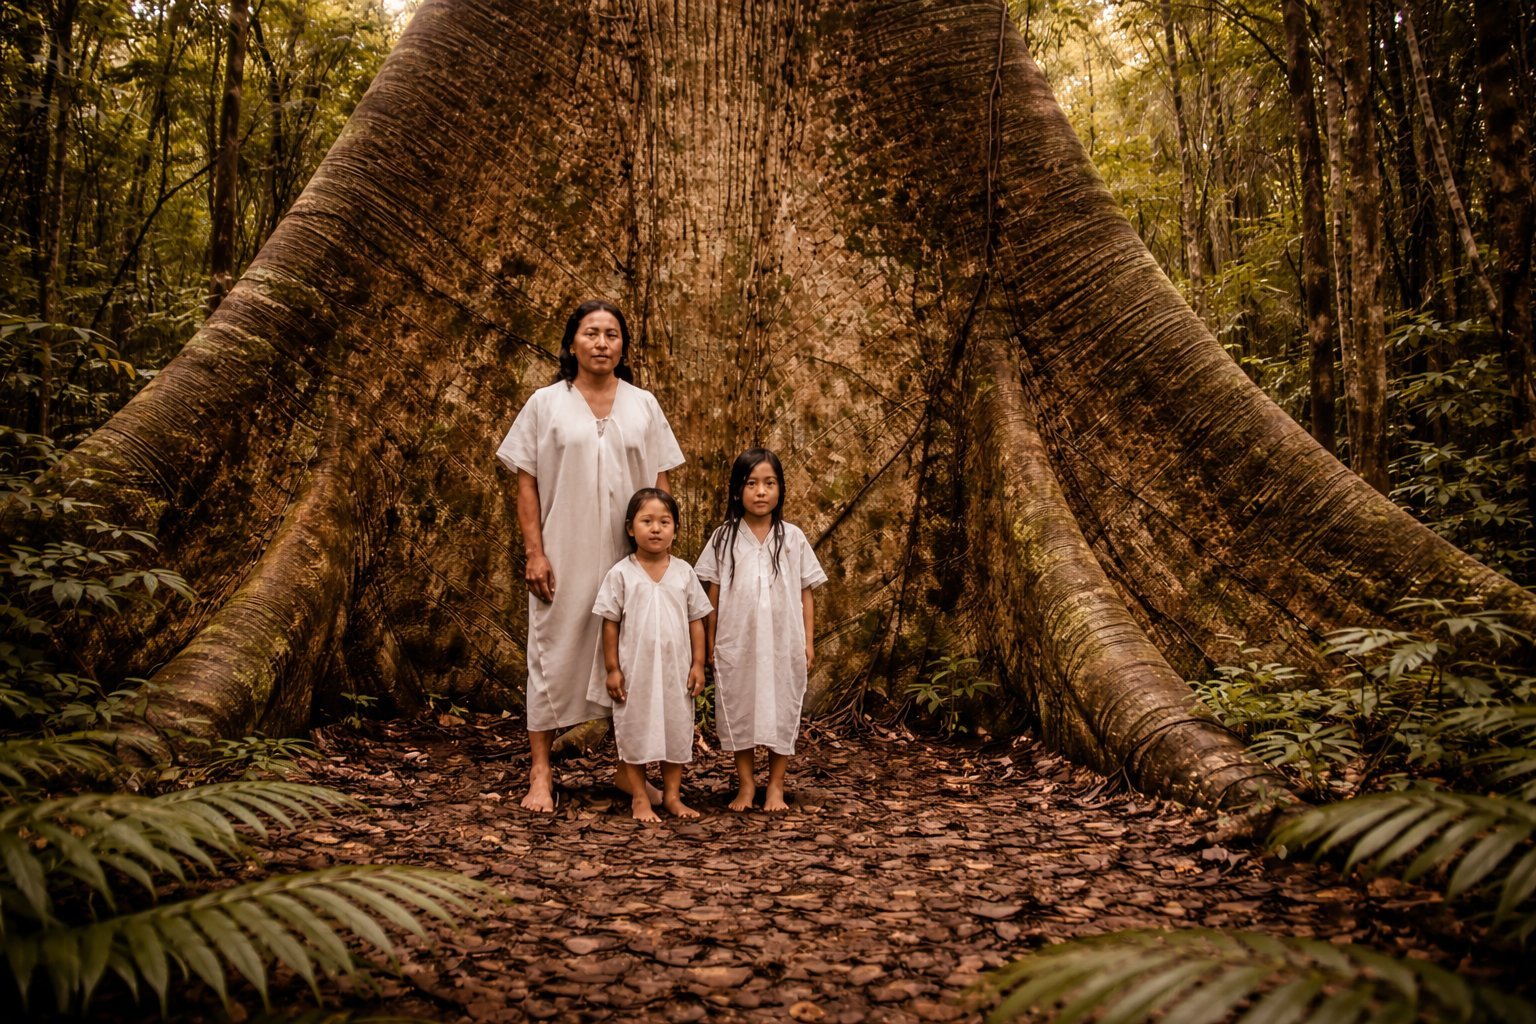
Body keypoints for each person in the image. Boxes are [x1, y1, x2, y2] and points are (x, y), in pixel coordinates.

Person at [496, 300, 685, 813]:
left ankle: (630, 771)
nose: (602, 343)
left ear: (623, 346)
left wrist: (661, 552)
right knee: (552, 651)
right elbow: (526, 482)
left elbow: (661, 484)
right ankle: (540, 770)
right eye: (591, 333)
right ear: (572, 342)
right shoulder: (545, 403)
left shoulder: (643, 404)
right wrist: (534, 552)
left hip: (630, 558)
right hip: (564, 553)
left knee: (631, 656)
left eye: (612, 335)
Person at [695, 448, 827, 813]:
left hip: (784, 642)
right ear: (737, 490)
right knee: (739, 705)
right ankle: (747, 784)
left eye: (770, 483)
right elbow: (713, 595)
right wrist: (709, 643)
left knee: (780, 707)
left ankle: (776, 786)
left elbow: (806, 592)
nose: (761, 492)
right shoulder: (724, 537)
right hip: (737, 643)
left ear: (780, 489)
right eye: (751, 483)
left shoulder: (793, 538)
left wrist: (808, 641)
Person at [593, 488, 711, 821]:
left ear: (676, 529)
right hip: (636, 673)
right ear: (631, 528)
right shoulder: (621, 574)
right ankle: (640, 798)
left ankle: (672, 796)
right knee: (635, 730)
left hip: (676, 673)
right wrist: (612, 668)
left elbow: (697, 623)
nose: (656, 529)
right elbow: (610, 624)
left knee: (676, 729)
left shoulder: (684, 573)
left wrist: (699, 664)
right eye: (647, 521)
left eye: (664, 521)